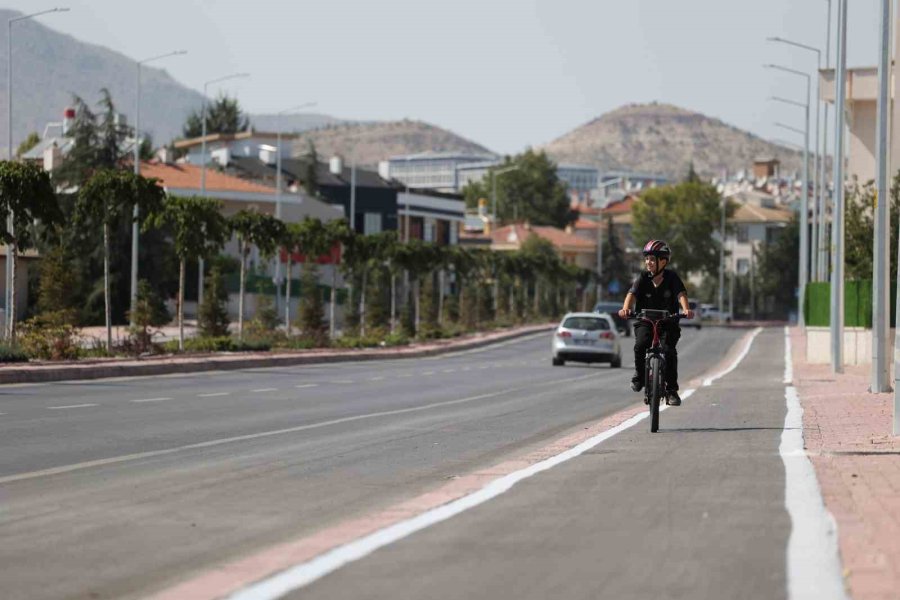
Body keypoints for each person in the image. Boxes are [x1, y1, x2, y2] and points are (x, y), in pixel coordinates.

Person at [617, 240, 694, 406]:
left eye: (652, 259)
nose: (648, 262)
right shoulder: (643, 277)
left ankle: (672, 391)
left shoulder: (672, 277)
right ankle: (639, 377)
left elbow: (681, 294)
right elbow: (632, 294)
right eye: (646, 259)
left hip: (668, 322)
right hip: (645, 321)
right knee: (641, 345)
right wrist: (625, 309)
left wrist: (686, 309)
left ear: (663, 261)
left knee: (669, 351)